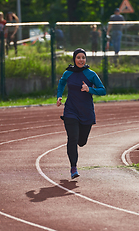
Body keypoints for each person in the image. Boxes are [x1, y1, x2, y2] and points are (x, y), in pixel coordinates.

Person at [56, 48, 106, 179]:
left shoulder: (90, 74)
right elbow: (61, 83)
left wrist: (89, 89)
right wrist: (59, 96)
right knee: (72, 138)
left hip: (86, 111)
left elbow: (102, 90)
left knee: (81, 141)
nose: (81, 60)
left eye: (83, 57)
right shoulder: (68, 73)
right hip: (71, 110)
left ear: (86, 59)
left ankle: (78, 140)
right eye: (78, 57)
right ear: (74, 59)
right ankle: (73, 167)